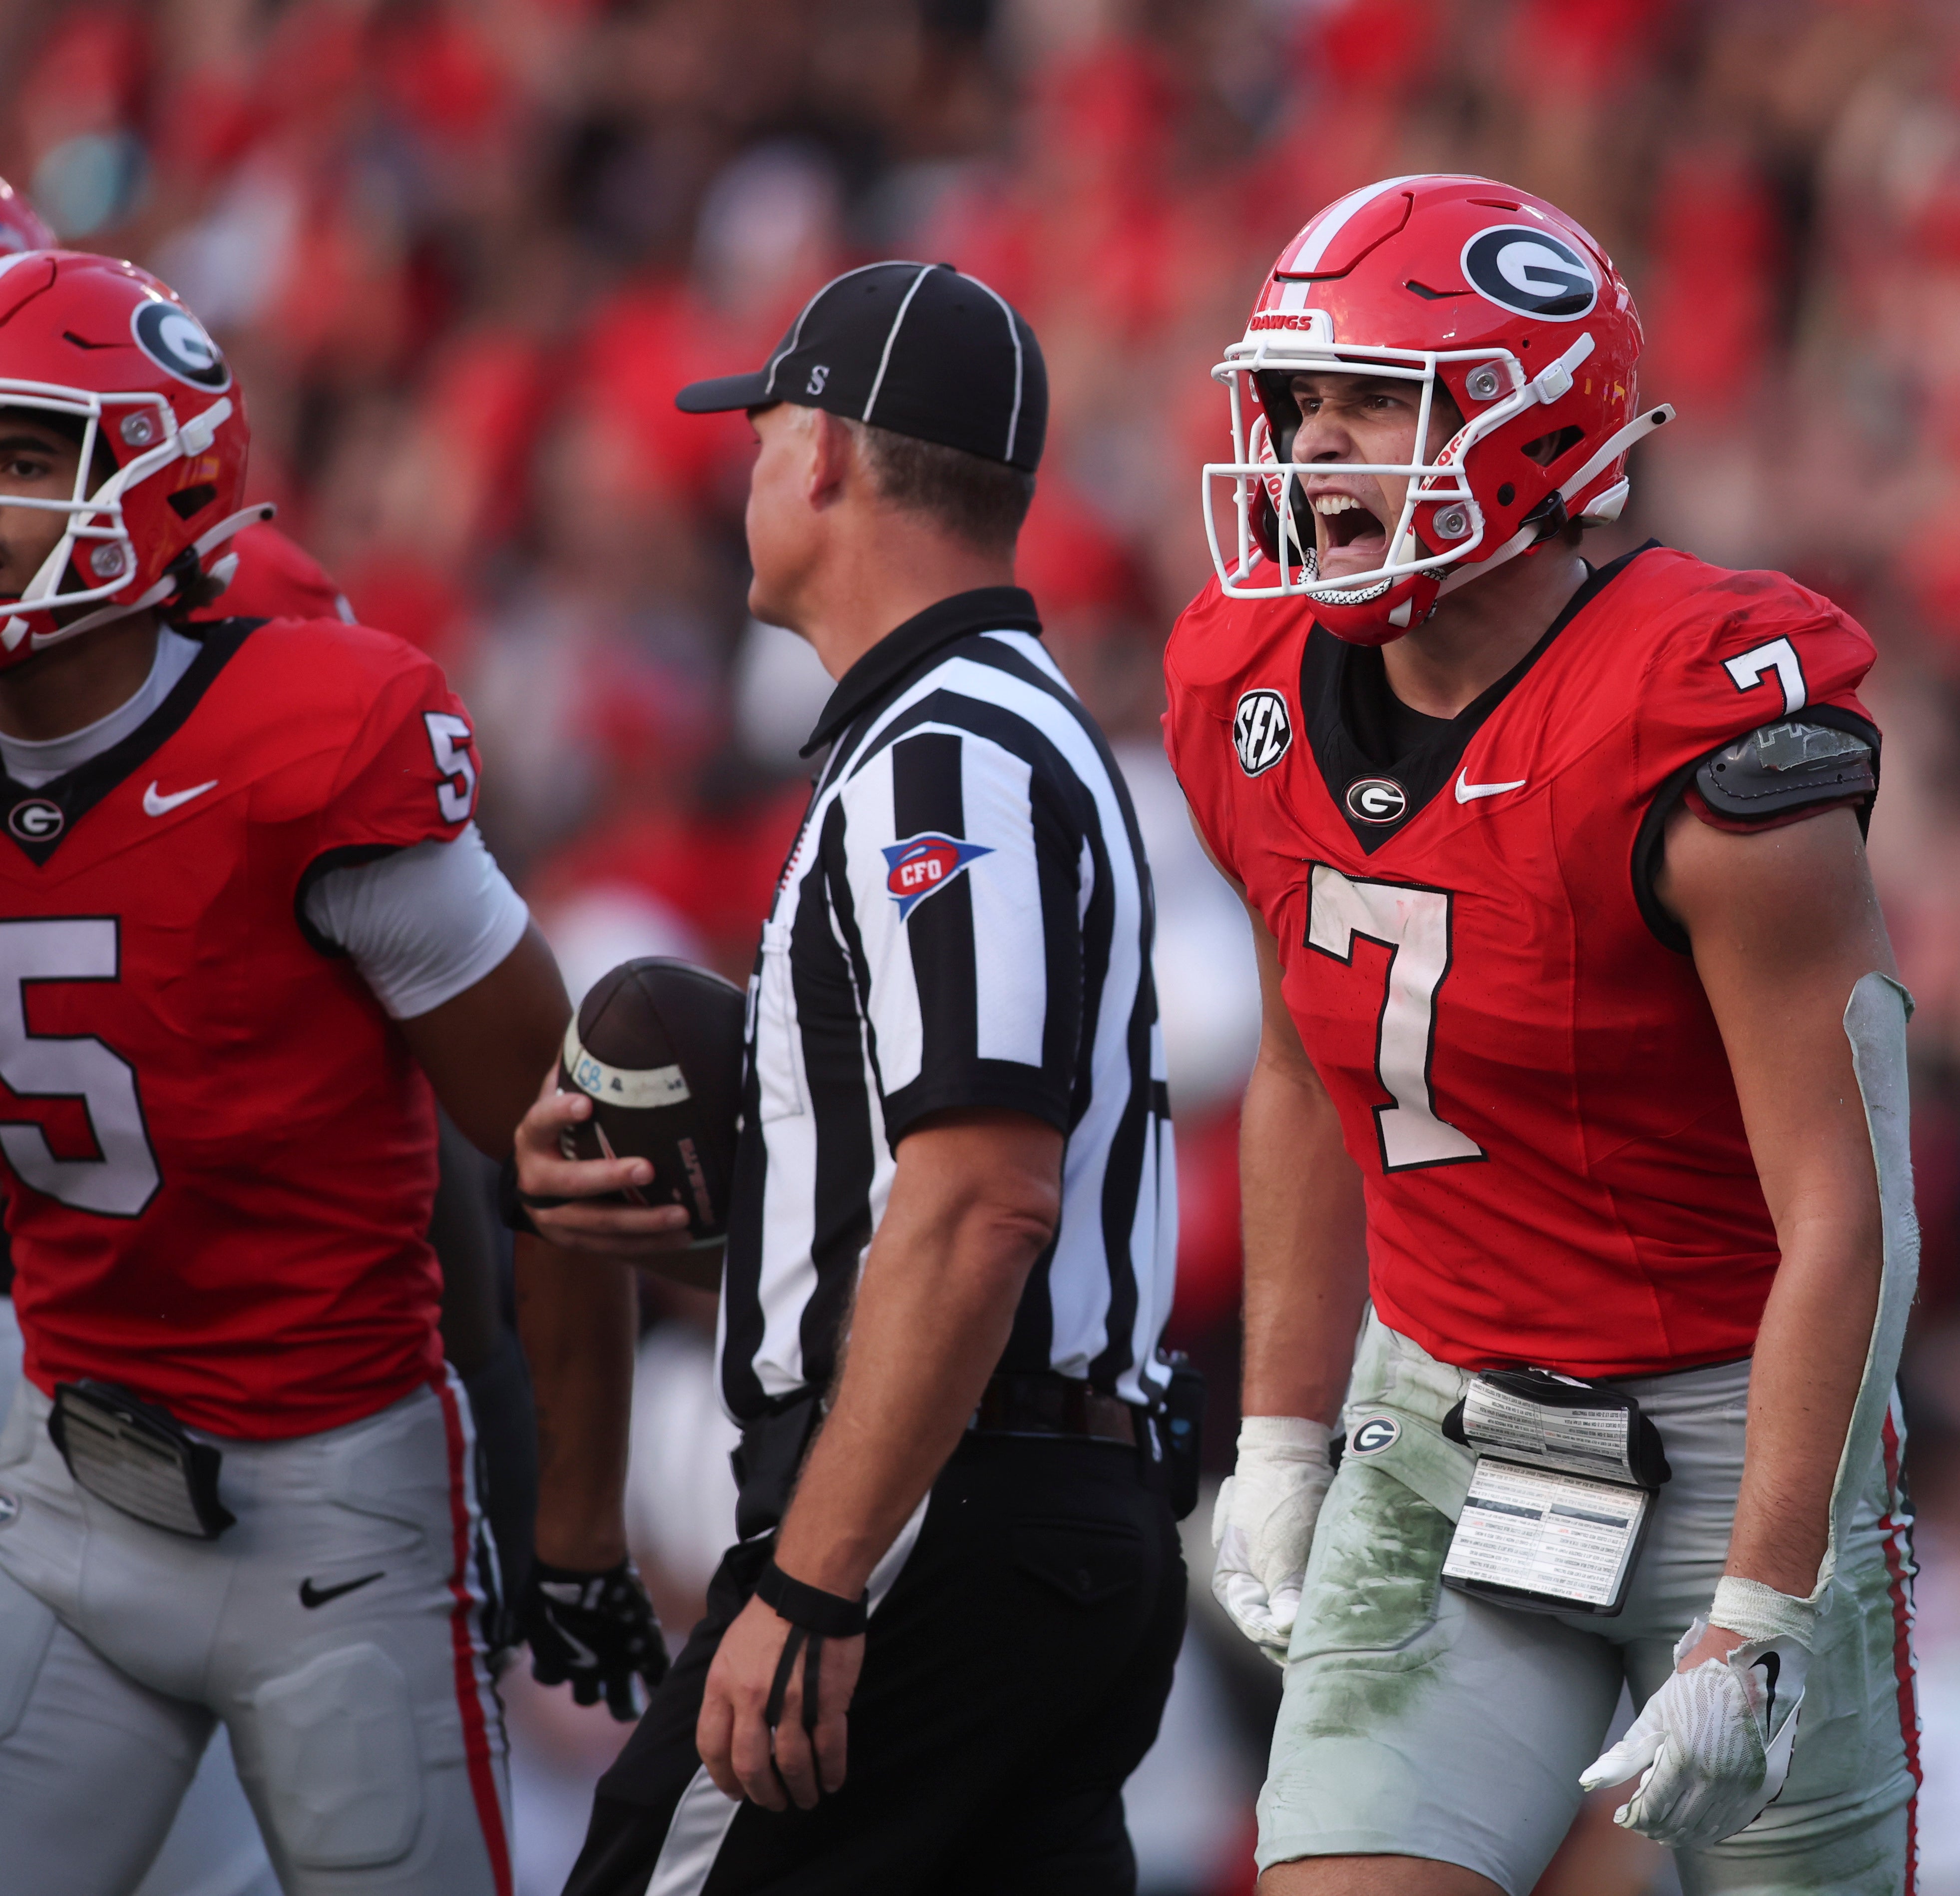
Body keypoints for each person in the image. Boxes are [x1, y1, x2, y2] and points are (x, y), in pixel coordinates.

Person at [1165, 174, 1922, 1896]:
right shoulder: (1247, 681)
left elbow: (1849, 1207)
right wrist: (1283, 1431)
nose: (1311, 452)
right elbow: (1301, 1049)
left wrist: (1765, 1601)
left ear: (1529, 427)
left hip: (1736, 1430)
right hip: (1436, 1419)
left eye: (1375, 402)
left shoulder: (1703, 722)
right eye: (1299, 402)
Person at [514, 260, 1187, 1894]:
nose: (743, 473)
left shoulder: (946, 754)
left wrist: (815, 1583)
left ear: (819, 450)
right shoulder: (983, 729)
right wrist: (668, 1227)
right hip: (1038, 1507)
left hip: (936, 1517)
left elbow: (982, 1199)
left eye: (757, 436)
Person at [0, 248, 653, 1894]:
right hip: (61, 1482)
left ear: (158, 481)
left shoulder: (304, 739)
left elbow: (557, 1150)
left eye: (19, 456)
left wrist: (572, 1525)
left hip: (333, 1518)